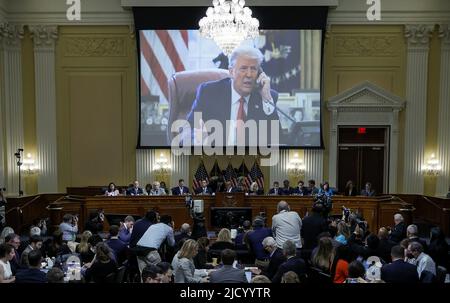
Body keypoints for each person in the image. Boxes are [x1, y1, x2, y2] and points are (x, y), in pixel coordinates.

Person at [186, 46, 280, 146]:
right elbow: (189, 129)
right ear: (231, 72)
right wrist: (198, 140)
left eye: (253, 69)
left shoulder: (266, 97)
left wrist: (266, 98)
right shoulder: (209, 93)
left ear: (259, 74)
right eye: (243, 68)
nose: (249, 74)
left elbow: (278, 140)